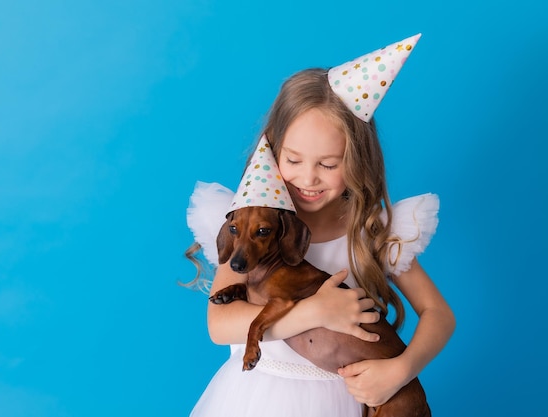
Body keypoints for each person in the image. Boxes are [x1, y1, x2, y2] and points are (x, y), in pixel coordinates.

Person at [184, 33, 455, 417]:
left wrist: (401, 369)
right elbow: (219, 325)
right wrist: (314, 313)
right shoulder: (251, 224)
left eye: (328, 165)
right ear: (274, 149)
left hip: (343, 399)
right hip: (257, 399)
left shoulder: (371, 229)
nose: (308, 179)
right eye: (293, 160)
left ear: (357, 159)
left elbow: (439, 313)